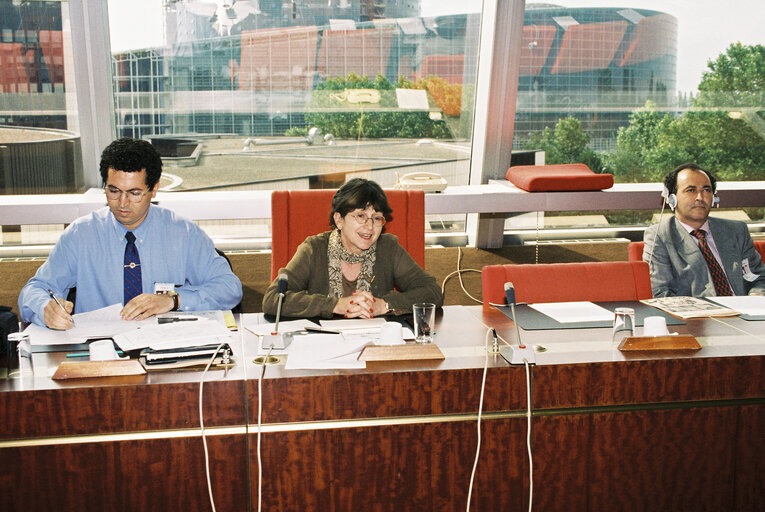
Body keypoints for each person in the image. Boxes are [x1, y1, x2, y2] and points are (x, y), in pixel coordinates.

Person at [19, 137, 243, 329]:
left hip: (166, 348)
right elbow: (34, 289)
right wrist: (44, 308)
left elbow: (229, 288)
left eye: (135, 193)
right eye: (113, 191)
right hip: (99, 350)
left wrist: (173, 301)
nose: (122, 203)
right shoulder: (80, 235)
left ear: (154, 189)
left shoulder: (182, 233)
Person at [263, 178, 443, 318]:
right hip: (323, 350)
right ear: (339, 220)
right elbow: (273, 299)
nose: (370, 226)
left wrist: (384, 305)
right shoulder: (313, 249)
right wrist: (335, 305)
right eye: (360, 216)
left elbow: (432, 292)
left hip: (375, 347)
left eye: (377, 218)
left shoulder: (388, 248)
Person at [643, 163, 765, 297]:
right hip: (698, 315)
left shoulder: (736, 231)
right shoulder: (660, 236)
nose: (700, 197)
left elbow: (759, 277)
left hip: (745, 312)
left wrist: (756, 296)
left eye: (706, 190)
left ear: (714, 197)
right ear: (672, 198)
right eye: (691, 190)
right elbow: (659, 292)